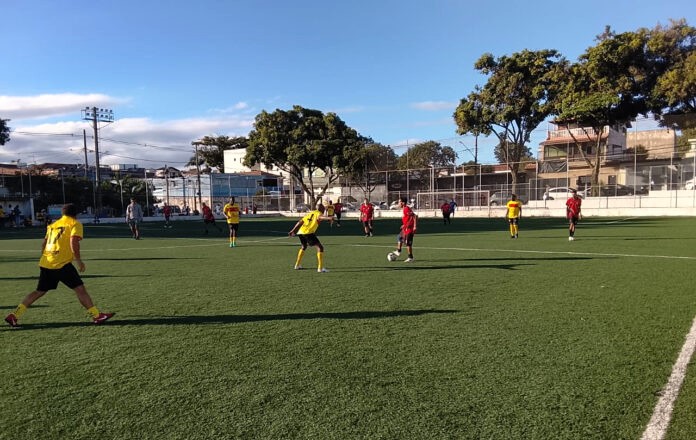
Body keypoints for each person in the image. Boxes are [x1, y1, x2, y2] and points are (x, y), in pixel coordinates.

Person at [4, 203, 114, 328]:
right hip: (61, 264)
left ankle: (15, 315)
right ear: (76, 214)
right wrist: (78, 260)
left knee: (39, 291)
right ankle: (97, 316)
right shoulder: (74, 224)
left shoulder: (53, 225)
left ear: (63, 213)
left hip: (47, 262)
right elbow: (73, 241)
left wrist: (46, 257)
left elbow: (44, 243)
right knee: (80, 289)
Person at [288, 203, 332, 272]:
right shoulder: (319, 213)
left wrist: (293, 230)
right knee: (320, 248)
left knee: (304, 246)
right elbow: (320, 217)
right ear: (321, 209)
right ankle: (320, 268)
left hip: (301, 232)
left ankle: (297, 265)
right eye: (323, 208)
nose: (324, 210)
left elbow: (300, 222)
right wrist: (329, 218)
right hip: (308, 232)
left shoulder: (310, 213)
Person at [392, 196, 418, 262]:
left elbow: (414, 216)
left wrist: (414, 226)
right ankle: (398, 251)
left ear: (403, 203)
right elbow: (408, 218)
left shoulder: (406, 209)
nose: (398, 203)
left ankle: (410, 257)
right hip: (405, 228)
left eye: (399, 202)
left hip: (409, 229)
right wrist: (404, 225)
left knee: (408, 244)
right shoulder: (404, 209)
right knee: (399, 237)